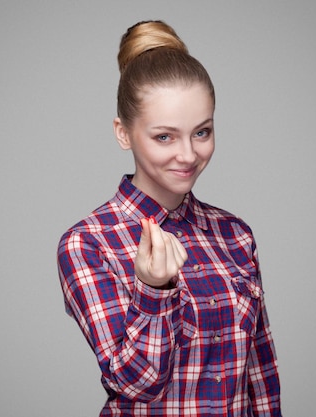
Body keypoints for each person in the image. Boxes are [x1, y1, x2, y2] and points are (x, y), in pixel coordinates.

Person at [57, 20, 281, 416]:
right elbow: (133, 383)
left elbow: (260, 378)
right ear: (123, 133)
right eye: (164, 136)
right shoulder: (88, 243)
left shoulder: (235, 235)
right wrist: (154, 289)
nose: (188, 154)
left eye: (202, 132)